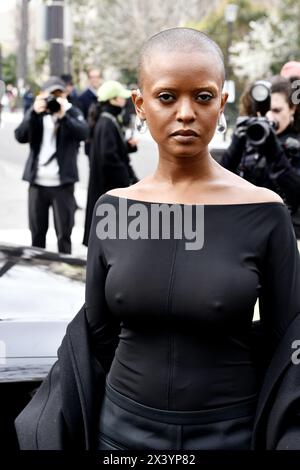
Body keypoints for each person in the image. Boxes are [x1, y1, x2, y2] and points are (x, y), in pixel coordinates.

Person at [15, 28, 300, 451]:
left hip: (231, 433)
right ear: (140, 103)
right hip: (119, 432)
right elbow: (98, 333)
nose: (185, 112)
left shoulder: (263, 212)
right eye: (167, 97)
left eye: (203, 97)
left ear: (221, 104)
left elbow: (285, 344)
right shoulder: (114, 208)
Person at [15, 76, 88, 254]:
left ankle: (64, 272)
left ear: (65, 95)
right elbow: (20, 136)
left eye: (59, 94)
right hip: (37, 183)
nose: (55, 99)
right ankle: (38, 273)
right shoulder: (36, 113)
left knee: (64, 234)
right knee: (37, 234)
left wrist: (64, 116)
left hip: (63, 184)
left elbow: (84, 133)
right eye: (52, 95)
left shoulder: (72, 111)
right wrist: (33, 112)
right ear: (43, 95)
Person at [221, 76, 300, 238]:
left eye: (277, 110)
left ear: (292, 108)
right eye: (266, 110)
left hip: (286, 235)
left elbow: (295, 194)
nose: (270, 117)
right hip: (244, 230)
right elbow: (219, 183)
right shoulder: (250, 137)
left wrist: (274, 151)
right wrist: (236, 146)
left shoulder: (296, 142)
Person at [82, 80, 138, 246]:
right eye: (121, 97)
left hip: (103, 188)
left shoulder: (105, 119)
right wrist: (127, 180)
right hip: (108, 189)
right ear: (112, 99)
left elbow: (109, 150)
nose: (124, 100)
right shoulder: (107, 122)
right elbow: (109, 157)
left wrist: (127, 146)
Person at [78, 68, 102, 157]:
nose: (95, 79)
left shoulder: (105, 95)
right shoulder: (82, 98)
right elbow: (82, 120)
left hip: (105, 139)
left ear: (100, 78)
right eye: (92, 77)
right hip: (91, 140)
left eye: (97, 77)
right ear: (89, 79)